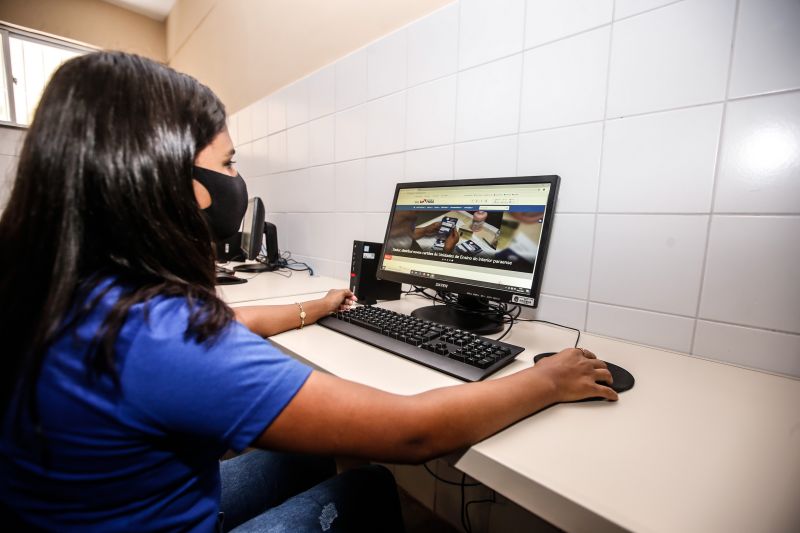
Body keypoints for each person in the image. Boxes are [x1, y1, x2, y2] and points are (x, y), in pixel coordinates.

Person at [0, 52, 618, 532]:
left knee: (312, 455)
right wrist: (545, 380)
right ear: (169, 183)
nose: (238, 181)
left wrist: (313, 306)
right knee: (372, 482)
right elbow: (414, 434)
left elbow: (220, 332)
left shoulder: (68, 291)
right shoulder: (161, 335)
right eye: (230, 164)